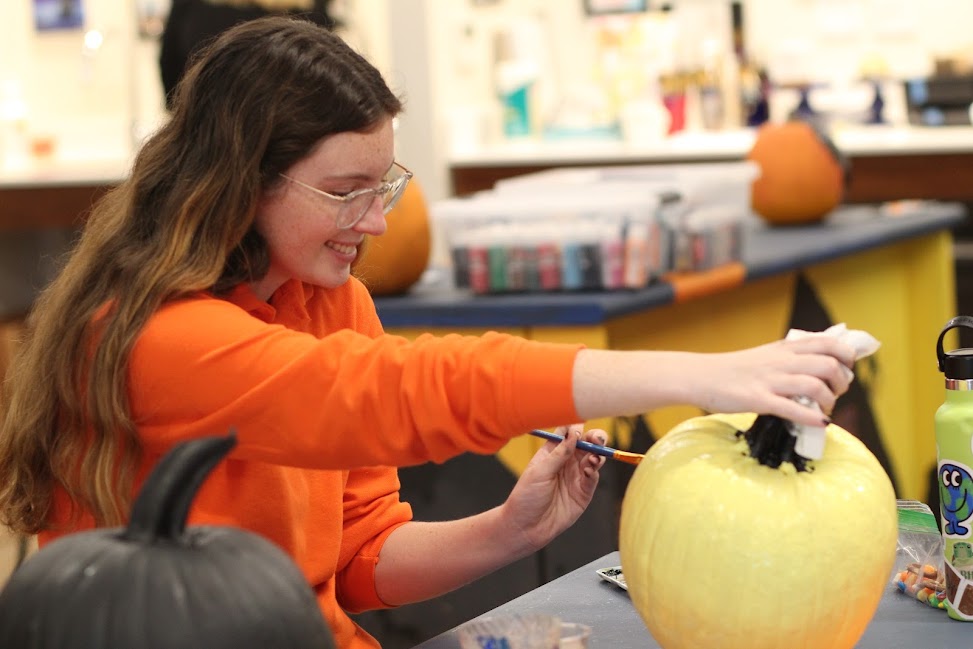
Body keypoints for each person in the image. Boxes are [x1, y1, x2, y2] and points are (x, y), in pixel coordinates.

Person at [0, 16, 856, 649]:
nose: (376, 222)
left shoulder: (331, 300)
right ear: (241, 183)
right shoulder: (157, 339)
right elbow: (406, 391)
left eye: (385, 185)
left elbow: (358, 557)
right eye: (345, 192)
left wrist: (512, 528)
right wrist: (702, 375)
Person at [159, 0, 337, 108]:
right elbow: (325, 78)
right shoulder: (311, 9)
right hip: (292, 137)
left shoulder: (192, 7)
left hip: (208, 134)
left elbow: (171, 72)